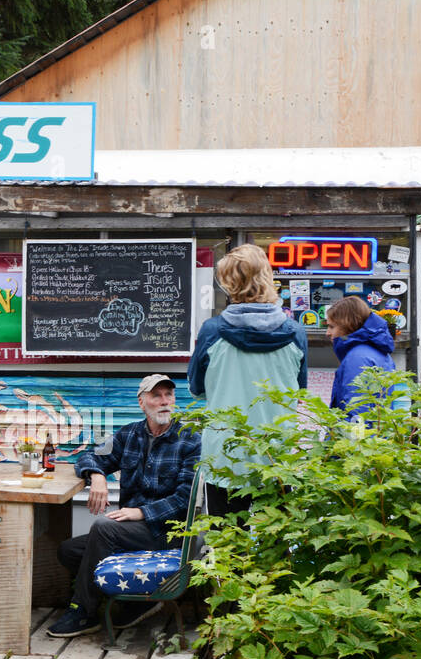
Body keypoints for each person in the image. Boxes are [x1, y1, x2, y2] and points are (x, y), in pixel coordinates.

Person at [48, 374, 201, 637]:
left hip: (169, 532)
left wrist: (141, 512)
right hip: (133, 532)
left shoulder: (189, 439)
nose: (165, 401)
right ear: (142, 403)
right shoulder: (129, 434)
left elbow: (185, 497)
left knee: (104, 527)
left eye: (169, 395)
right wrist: (97, 476)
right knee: (68, 550)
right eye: (156, 396)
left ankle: (82, 612)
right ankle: (133, 602)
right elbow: (89, 455)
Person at [187, 243, 308, 517]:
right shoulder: (295, 332)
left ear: (228, 282)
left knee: (227, 543)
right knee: (276, 544)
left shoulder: (212, 331)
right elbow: (299, 393)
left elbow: (196, 390)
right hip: (276, 455)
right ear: (266, 276)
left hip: (225, 457)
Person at [325, 296, 407, 421]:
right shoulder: (377, 351)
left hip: (359, 438)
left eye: (332, 327)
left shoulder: (357, 358)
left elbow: (357, 413)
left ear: (347, 325)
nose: (327, 333)